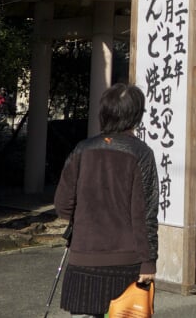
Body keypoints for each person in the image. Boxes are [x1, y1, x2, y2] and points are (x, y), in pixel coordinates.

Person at [55, 83, 159, 317]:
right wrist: (148, 262)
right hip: (125, 261)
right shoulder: (141, 153)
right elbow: (145, 213)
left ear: (104, 112)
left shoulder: (82, 150)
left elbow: (62, 205)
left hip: (83, 257)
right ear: (136, 115)